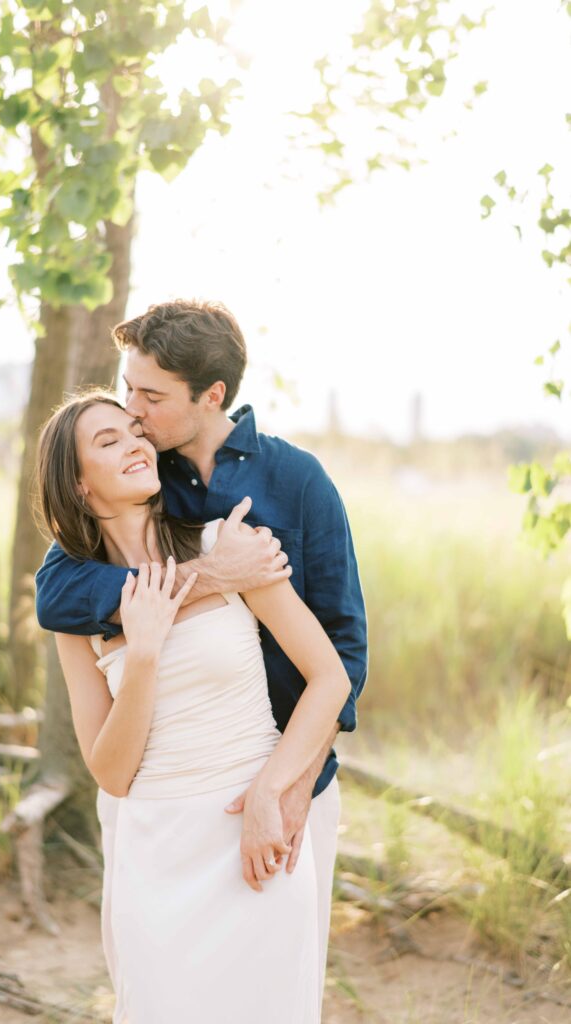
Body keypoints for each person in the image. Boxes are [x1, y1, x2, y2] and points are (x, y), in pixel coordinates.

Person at [35, 299, 368, 1014]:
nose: (136, 421)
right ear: (82, 482)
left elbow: (338, 661)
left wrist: (279, 791)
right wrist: (164, 627)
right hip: (155, 827)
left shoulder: (269, 500)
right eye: (124, 407)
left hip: (274, 789)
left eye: (146, 403)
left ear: (209, 396)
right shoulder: (94, 564)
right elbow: (57, 600)